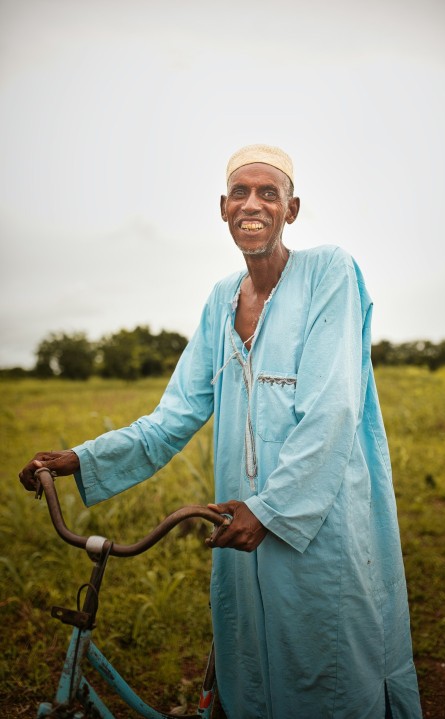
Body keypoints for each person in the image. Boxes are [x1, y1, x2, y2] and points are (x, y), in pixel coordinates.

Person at [20, 144, 423, 718]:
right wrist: (81, 459)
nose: (252, 204)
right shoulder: (220, 300)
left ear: (292, 208)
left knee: (326, 668)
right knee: (249, 669)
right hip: (239, 522)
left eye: (268, 193)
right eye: (240, 192)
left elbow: (332, 409)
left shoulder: (330, 271)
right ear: (222, 207)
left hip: (321, 524)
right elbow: (175, 414)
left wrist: (272, 509)